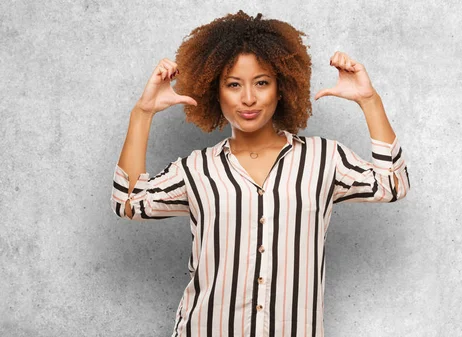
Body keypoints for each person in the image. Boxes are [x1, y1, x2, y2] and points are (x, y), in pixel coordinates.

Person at [110, 10, 410, 337]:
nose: (248, 98)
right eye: (233, 84)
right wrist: (142, 113)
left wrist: (369, 100)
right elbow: (129, 202)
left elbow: (392, 184)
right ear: (216, 91)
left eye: (262, 83)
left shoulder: (324, 159)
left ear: (281, 88)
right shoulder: (197, 169)